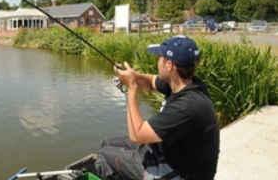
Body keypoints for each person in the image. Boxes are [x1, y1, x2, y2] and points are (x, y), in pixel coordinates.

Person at [91, 35, 220, 180]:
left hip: (183, 173)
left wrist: (131, 88)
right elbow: (152, 81)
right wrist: (133, 76)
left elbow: (137, 135)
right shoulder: (183, 83)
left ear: (169, 65)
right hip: (173, 154)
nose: (157, 61)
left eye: (159, 57)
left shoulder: (188, 105)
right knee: (107, 143)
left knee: (106, 155)